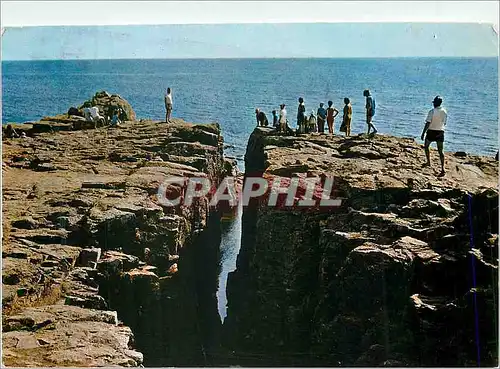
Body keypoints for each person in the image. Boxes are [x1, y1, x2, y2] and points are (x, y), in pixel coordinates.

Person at [421, 95, 447, 177]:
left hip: (431, 131)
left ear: (435, 103)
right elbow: (444, 123)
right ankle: (443, 168)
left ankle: (428, 162)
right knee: (440, 151)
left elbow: (428, 123)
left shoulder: (431, 111)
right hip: (440, 132)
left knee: (426, 146)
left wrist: (423, 133)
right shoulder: (444, 111)